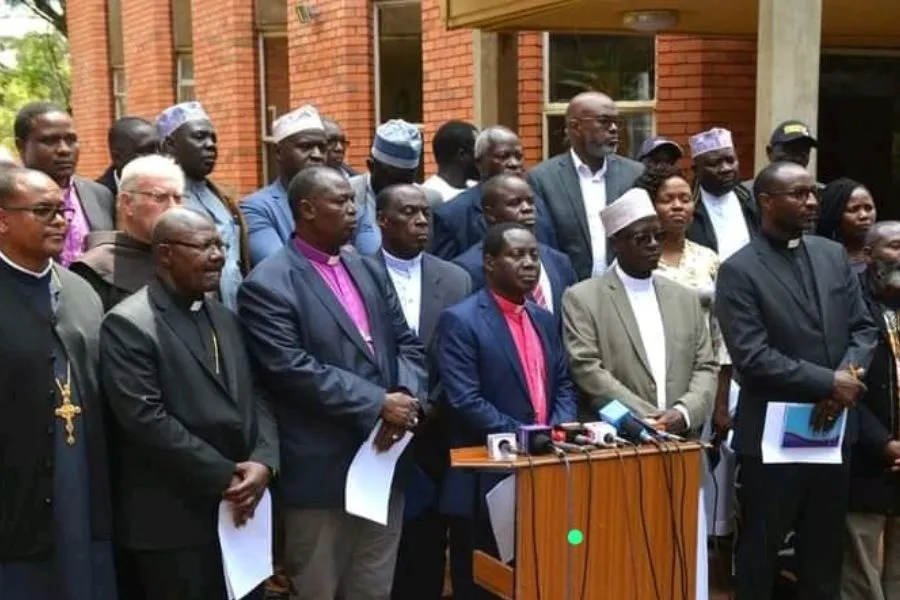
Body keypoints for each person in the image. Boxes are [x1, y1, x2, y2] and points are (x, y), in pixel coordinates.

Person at [238, 165, 427, 600]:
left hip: (385, 459)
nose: (353, 211)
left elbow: (407, 344)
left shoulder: (367, 268)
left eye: (352, 200)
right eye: (340, 202)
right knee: (320, 588)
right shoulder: (269, 283)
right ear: (306, 209)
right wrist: (377, 403)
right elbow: (291, 369)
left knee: (373, 587)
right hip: (323, 469)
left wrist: (406, 401)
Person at [715, 161, 879, 600]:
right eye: (799, 193)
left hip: (833, 431)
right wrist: (829, 383)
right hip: (773, 438)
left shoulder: (831, 255)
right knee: (761, 556)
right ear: (766, 201)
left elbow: (865, 328)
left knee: (824, 554)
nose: (811, 202)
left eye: (813, 193)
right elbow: (752, 357)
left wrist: (842, 383)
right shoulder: (739, 270)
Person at [99, 208, 279, 600]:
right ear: (165, 253)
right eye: (205, 246)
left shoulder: (224, 316)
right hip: (174, 523)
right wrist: (227, 475)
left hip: (242, 509)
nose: (218, 256)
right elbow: (145, 420)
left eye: (221, 244)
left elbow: (257, 394)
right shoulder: (129, 324)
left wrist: (265, 460)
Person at [562, 187, 718, 600]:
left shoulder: (684, 298)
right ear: (616, 242)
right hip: (623, 442)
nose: (652, 245)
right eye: (640, 237)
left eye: (656, 235)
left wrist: (683, 414)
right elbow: (587, 370)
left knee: (682, 552)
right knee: (624, 554)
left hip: (681, 444)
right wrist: (648, 418)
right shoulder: (583, 297)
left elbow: (706, 365)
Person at [437, 222, 578, 599]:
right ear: (489, 263)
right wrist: (529, 437)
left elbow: (563, 382)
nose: (529, 263)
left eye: (534, 254)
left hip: (545, 471)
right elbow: (465, 400)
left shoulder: (544, 319)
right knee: (486, 586)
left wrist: (557, 430)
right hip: (487, 477)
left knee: (541, 574)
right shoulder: (462, 320)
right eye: (517, 255)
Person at [0, 166, 116, 600]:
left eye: (63, 210)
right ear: (2, 220)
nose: (60, 221)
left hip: (84, 472)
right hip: (16, 487)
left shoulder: (80, 290)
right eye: (43, 211)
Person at [365, 183, 472, 600]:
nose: (421, 221)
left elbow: (460, 355)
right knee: (381, 556)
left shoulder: (456, 277)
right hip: (378, 430)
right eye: (408, 213)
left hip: (438, 428)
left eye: (425, 213)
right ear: (382, 220)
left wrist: (427, 408)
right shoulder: (359, 274)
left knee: (430, 552)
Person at [634, 163, 737, 538]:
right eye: (667, 199)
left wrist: (721, 398)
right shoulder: (638, 259)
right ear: (650, 205)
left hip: (701, 385)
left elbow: (721, 333)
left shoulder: (709, 259)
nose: (678, 206)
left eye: (684, 198)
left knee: (697, 479)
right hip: (649, 385)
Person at [842, 220, 900, 600]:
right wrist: (885, 444)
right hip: (866, 460)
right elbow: (845, 388)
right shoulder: (850, 308)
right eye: (895, 247)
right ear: (867, 255)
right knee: (862, 580)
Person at [527, 91, 645, 280]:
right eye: (604, 121)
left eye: (617, 122)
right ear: (576, 127)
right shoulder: (542, 179)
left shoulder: (634, 174)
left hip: (625, 291)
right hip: (568, 292)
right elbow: (543, 244)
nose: (614, 129)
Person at [157, 101, 248, 310]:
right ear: (169, 145)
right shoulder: (161, 200)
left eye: (213, 138)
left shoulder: (223, 198)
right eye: (199, 137)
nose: (210, 145)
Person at [71, 154, 183, 311]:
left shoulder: (184, 258)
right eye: (160, 197)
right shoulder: (96, 268)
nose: (173, 208)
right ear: (127, 203)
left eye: (178, 198)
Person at [453, 173, 575, 314]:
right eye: (515, 203)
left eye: (530, 202)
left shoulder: (559, 261)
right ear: (490, 214)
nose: (527, 208)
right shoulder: (467, 269)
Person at [432, 125, 557, 261]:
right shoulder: (452, 216)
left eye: (519, 157)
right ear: (479, 163)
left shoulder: (538, 205)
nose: (514, 164)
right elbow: (444, 275)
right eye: (503, 156)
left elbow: (552, 257)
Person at [15, 101, 115, 265]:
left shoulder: (100, 195)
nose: (64, 149)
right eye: (49, 141)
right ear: (21, 146)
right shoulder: (8, 199)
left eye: (71, 140)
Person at [241, 105, 327, 266]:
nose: (317, 155)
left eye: (322, 148)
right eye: (306, 147)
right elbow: (279, 269)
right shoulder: (257, 207)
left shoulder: (338, 203)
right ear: (279, 152)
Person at [348, 119, 440, 255]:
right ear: (371, 166)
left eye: (407, 180)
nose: (400, 189)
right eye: (393, 179)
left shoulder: (431, 200)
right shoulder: (348, 194)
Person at [687, 127, 758, 260]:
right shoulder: (688, 208)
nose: (726, 169)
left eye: (730, 161)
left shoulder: (752, 200)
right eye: (714, 163)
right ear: (696, 170)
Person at [817, 177, 877, 274]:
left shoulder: (886, 255)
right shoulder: (819, 260)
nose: (864, 215)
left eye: (868, 208)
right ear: (835, 214)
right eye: (854, 209)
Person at [96, 117, 160, 197]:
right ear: (117, 157)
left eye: (159, 148)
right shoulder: (94, 199)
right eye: (147, 150)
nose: (158, 157)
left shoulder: (172, 188)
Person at [422, 120, 479, 201]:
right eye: (478, 152)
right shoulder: (428, 197)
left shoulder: (479, 190)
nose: (481, 158)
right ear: (462, 155)